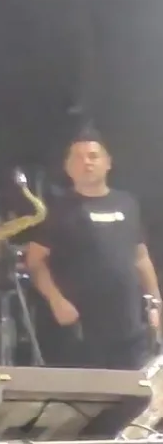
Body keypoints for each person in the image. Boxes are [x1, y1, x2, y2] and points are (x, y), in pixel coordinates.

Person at [26, 127, 159, 370]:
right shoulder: (57, 209)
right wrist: (56, 300)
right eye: (78, 157)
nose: (86, 162)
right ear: (67, 167)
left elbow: (141, 257)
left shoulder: (127, 203)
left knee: (134, 389)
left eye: (93, 156)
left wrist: (156, 303)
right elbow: (34, 261)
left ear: (108, 163)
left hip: (129, 326)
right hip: (82, 329)